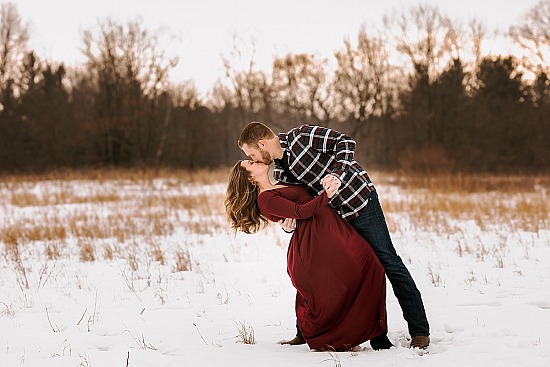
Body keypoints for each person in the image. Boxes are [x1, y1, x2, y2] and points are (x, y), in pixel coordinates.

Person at [238, 122, 430, 349]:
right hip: (335, 222)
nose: (255, 159)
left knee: (388, 261)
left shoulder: (302, 136)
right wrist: (288, 226)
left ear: (262, 143)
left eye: (252, 154)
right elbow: (296, 206)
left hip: (359, 204)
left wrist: (337, 174)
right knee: (319, 274)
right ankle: (308, 331)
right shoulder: (280, 172)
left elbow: (345, 143)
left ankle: (419, 331)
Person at [225, 160, 393, 352]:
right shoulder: (265, 199)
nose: (255, 160)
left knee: (371, 266)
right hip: (316, 241)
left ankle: (377, 333)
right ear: (250, 177)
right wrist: (327, 195)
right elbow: (301, 212)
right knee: (357, 273)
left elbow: (295, 211)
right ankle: (359, 335)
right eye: (250, 162)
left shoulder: (280, 183)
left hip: (328, 229)